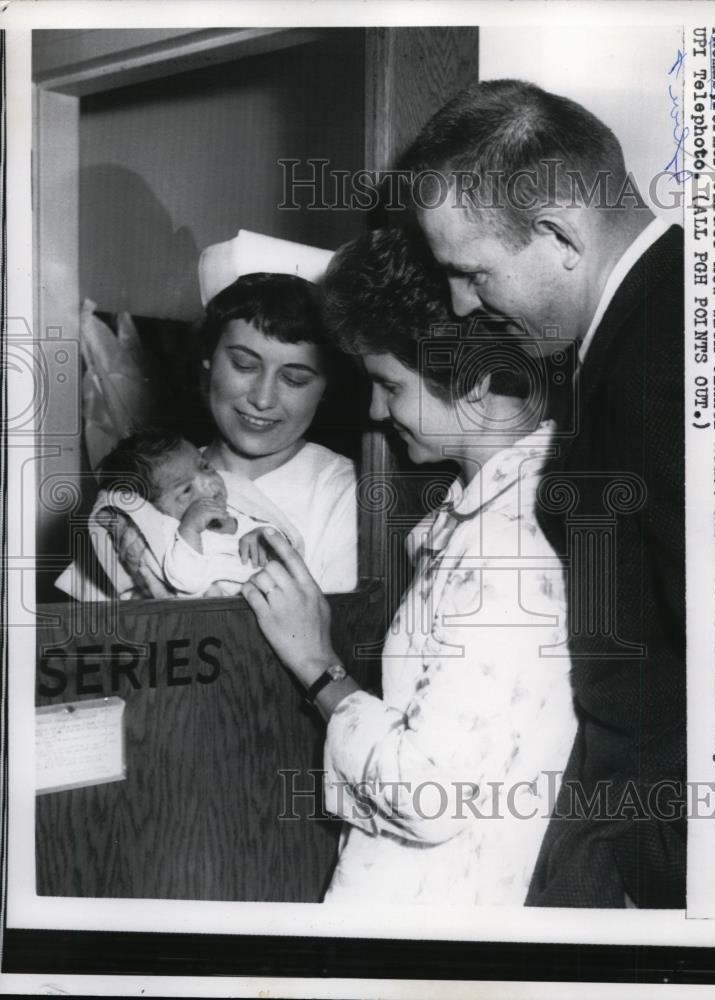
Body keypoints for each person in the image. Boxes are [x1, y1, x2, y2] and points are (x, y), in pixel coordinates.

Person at [399, 79, 686, 908]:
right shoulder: (665, 312)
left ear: (560, 232)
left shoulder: (655, 359)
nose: (462, 303)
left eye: (472, 272)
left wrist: (666, 870)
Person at [242, 227, 576, 905]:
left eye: (387, 385)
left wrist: (317, 668)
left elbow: (426, 794)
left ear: (476, 386)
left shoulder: (505, 547)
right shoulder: (503, 512)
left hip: (435, 908)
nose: (373, 410)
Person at [196, 271, 358, 594]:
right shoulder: (154, 473)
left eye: (295, 379)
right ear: (208, 361)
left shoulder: (347, 493)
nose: (262, 399)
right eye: (244, 365)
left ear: (325, 390)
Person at [94, 431, 303, 598]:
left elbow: (287, 550)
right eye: (185, 490)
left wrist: (264, 535)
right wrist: (190, 530)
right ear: (153, 510)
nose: (208, 482)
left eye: (205, 467)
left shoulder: (237, 513)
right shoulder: (173, 540)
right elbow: (188, 581)